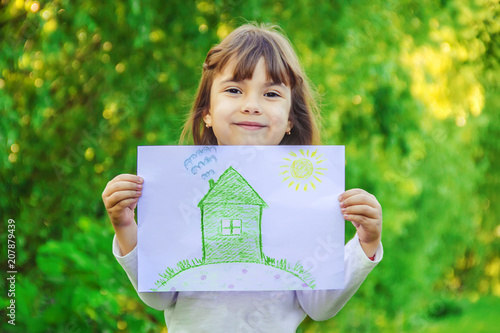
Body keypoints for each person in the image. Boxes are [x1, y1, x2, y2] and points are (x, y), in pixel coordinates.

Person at [102, 23, 383, 332]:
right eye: (234, 90)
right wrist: (125, 225)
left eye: (271, 93)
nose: (251, 106)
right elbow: (159, 296)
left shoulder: (306, 198)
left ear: (291, 119)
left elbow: (319, 305)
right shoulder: (181, 188)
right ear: (207, 111)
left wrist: (364, 242)